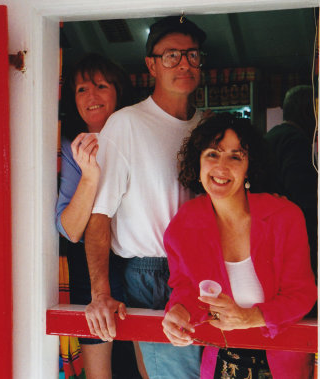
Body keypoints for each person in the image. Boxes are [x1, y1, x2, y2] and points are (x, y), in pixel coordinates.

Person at [84, 16, 207, 378]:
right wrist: (100, 294)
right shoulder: (126, 124)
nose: (184, 63)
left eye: (192, 55)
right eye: (171, 55)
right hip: (155, 274)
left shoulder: (207, 126)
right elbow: (99, 215)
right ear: (151, 64)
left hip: (207, 271)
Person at [162, 114, 317, 378]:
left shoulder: (284, 216)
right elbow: (186, 289)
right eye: (213, 154)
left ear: (249, 168)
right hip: (221, 359)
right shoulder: (182, 225)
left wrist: (252, 318)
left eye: (235, 156)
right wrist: (177, 312)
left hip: (281, 361)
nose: (221, 167)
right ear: (197, 163)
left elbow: (302, 295)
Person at [56, 53, 140, 379]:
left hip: (140, 262)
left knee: (146, 361)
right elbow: (70, 230)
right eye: (81, 89)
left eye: (101, 86)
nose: (91, 96)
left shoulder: (137, 138)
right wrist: (89, 175)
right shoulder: (70, 148)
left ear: (118, 91)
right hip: (88, 269)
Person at [265, 85, 318, 279]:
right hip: (291, 238)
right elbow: (302, 196)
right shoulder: (295, 140)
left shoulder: (273, 135)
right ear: (307, 112)